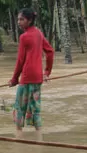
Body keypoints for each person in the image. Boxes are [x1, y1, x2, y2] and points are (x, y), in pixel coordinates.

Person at [8, 8, 54, 139]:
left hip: (27, 77)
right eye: (18, 19)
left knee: (19, 108)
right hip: (37, 78)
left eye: (22, 19)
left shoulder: (24, 37)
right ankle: (39, 138)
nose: (19, 22)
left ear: (30, 20)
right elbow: (50, 51)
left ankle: (19, 137)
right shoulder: (38, 33)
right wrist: (46, 72)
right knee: (36, 108)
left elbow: (20, 60)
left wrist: (14, 79)